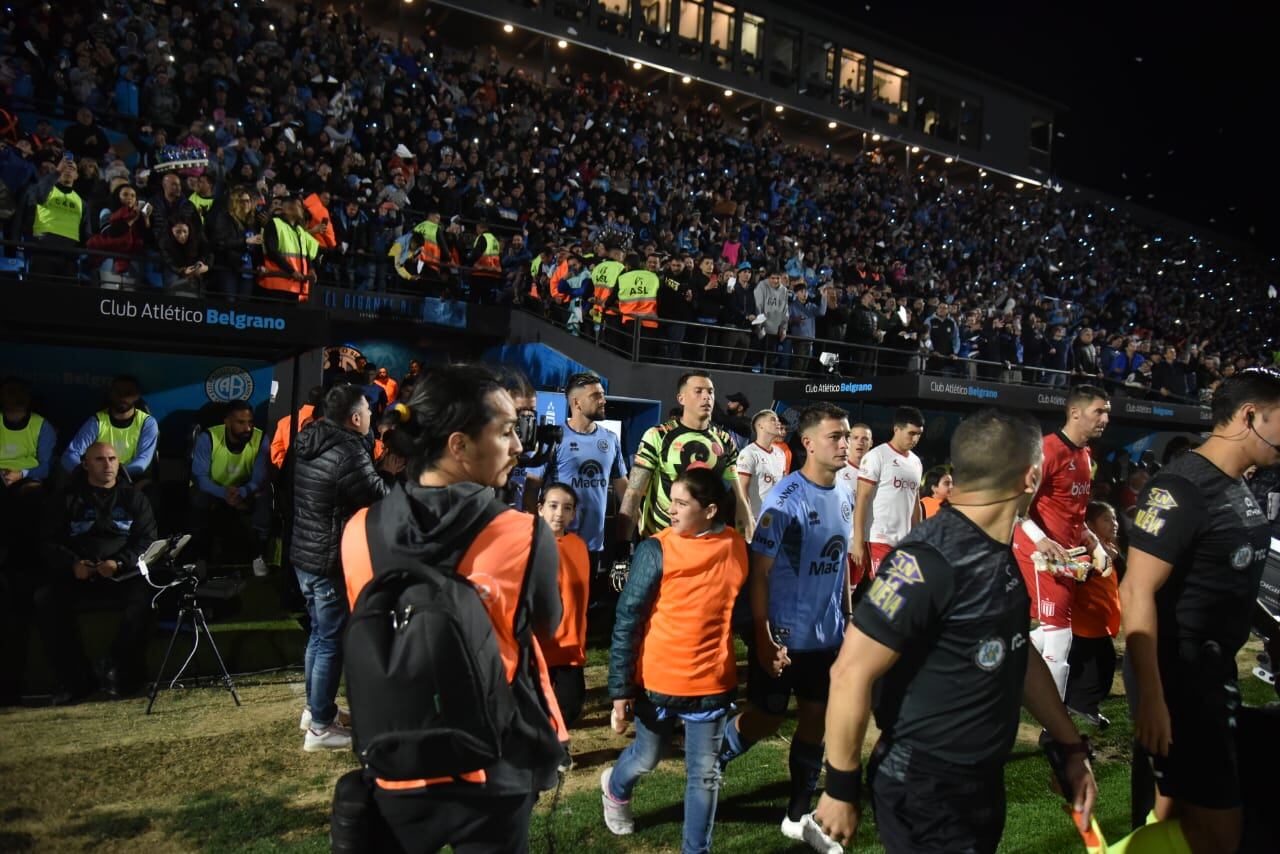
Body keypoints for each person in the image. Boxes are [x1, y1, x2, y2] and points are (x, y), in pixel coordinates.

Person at [812, 408, 1098, 853]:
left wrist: (1069, 746)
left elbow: (1017, 654)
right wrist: (841, 786)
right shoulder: (927, 559)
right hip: (926, 788)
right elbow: (849, 673)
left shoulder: (997, 548)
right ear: (1031, 478)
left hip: (979, 780)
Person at [335, 364, 565, 853]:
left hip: (396, 755)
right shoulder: (524, 534)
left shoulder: (359, 529)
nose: (519, 447)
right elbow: (548, 624)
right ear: (458, 445)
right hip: (493, 764)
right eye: (505, 432)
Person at [1118, 369, 1280, 854]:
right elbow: (1135, 591)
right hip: (1181, 680)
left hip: (1212, 671)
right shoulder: (1180, 488)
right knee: (1217, 835)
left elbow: (1223, 578)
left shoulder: (1234, 484)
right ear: (1250, 416)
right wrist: (1152, 697)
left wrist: (1269, 628)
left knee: (1174, 810)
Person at [717, 403, 855, 853]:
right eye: (836, 436)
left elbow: (840, 568)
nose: (845, 444)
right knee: (766, 716)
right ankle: (713, 758)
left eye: (847, 435)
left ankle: (797, 816)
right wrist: (762, 635)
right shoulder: (785, 500)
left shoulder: (846, 491)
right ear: (808, 443)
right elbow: (759, 574)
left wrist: (849, 619)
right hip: (783, 636)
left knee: (816, 719)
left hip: (827, 637)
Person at [603, 468, 750, 854]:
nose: (671, 509)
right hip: (657, 682)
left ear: (710, 509)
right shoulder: (656, 549)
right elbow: (628, 619)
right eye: (672, 500)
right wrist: (620, 691)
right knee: (646, 758)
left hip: (711, 685)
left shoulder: (736, 546)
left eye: (682, 503)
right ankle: (616, 788)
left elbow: (742, 610)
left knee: (705, 776)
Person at [290, 384, 391, 751]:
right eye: (367, 410)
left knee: (319, 635)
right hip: (328, 558)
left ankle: (317, 711)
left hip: (306, 554)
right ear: (354, 417)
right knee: (331, 639)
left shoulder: (311, 439)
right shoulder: (348, 449)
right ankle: (319, 728)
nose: (371, 416)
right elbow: (377, 497)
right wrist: (390, 472)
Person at [34, 442, 158, 703]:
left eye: (113, 459)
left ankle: (116, 666)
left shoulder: (133, 497)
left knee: (147, 597)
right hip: (78, 573)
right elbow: (48, 541)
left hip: (120, 573)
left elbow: (146, 540)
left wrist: (120, 563)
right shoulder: (66, 498)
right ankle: (76, 681)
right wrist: (73, 564)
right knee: (46, 599)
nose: (108, 465)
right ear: (85, 464)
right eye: (100, 460)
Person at [1012, 385, 1112, 700]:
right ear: (1074, 412)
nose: (1106, 418)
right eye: (1099, 411)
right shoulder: (1046, 452)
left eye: (1107, 412)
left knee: (1043, 636)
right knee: (1060, 638)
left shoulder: (1084, 455)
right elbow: (1016, 508)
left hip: (1066, 558)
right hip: (1038, 556)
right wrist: (1041, 541)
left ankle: (993, 665)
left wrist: (1093, 542)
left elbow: (1073, 513)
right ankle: (1054, 726)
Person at [619, 371, 749, 545]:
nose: (706, 397)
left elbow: (740, 499)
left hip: (707, 543)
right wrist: (622, 544)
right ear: (681, 399)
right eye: (698, 391)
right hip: (662, 543)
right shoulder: (657, 436)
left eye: (710, 392)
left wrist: (744, 541)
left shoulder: (725, 441)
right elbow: (633, 491)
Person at [542, 372, 628, 581]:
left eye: (602, 394)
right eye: (596, 396)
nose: (603, 400)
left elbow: (623, 488)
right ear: (577, 403)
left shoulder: (610, 439)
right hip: (557, 542)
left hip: (593, 544)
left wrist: (628, 537)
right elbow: (532, 488)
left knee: (584, 606)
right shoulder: (555, 437)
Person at [189, 400, 272, 575]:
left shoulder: (260, 438)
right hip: (214, 489)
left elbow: (259, 479)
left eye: (250, 422)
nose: (248, 428)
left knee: (264, 496)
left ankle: (259, 554)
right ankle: (200, 558)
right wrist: (224, 493)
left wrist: (241, 492)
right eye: (240, 422)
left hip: (243, 490)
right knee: (199, 496)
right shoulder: (208, 438)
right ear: (227, 422)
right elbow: (200, 478)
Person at [537, 483, 591, 728]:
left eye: (566, 508)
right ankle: (555, 750)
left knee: (571, 704)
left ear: (573, 514)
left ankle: (555, 744)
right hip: (539, 646)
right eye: (553, 506)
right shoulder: (528, 545)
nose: (559, 513)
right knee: (538, 705)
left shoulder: (579, 546)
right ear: (540, 509)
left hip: (570, 645)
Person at [1065, 501, 1122, 729]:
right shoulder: (1083, 549)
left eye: (1114, 519)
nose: (1114, 524)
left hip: (1097, 621)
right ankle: (1075, 707)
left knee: (1100, 667)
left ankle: (1081, 706)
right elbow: (1077, 577)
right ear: (1089, 525)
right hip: (1083, 621)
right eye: (1107, 519)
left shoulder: (1111, 549)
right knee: (1098, 668)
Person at [851, 406, 925, 577]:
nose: (915, 438)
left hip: (904, 541)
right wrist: (858, 542)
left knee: (900, 596)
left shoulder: (916, 462)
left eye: (919, 434)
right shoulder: (877, 456)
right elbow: (861, 500)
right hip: (879, 538)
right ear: (896, 429)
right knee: (887, 593)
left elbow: (915, 504)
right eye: (911, 433)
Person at [61, 375, 159, 483]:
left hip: (130, 479)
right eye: (118, 392)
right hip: (96, 478)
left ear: (137, 396)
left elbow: (143, 460)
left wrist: (114, 474)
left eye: (128, 393)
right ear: (110, 394)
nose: (122, 397)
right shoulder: (96, 421)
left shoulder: (147, 423)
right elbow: (69, 455)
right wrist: (87, 473)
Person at [735, 409, 789, 527]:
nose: (778, 423)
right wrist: (747, 519)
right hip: (754, 519)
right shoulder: (749, 453)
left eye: (778, 420)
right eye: (773, 420)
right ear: (760, 426)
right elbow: (741, 489)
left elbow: (783, 486)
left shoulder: (781, 453)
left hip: (774, 519)